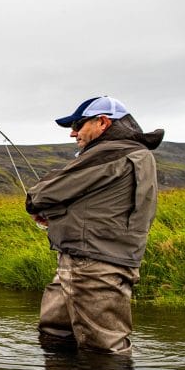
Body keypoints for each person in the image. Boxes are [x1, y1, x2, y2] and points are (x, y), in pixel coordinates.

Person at [25, 96, 164, 353]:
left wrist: (36, 203)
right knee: (55, 333)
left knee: (104, 351)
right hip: (91, 258)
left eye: (78, 124)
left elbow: (43, 194)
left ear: (102, 122)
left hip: (94, 264)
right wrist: (56, 215)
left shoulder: (110, 153)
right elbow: (100, 203)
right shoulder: (133, 153)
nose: (73, 133)